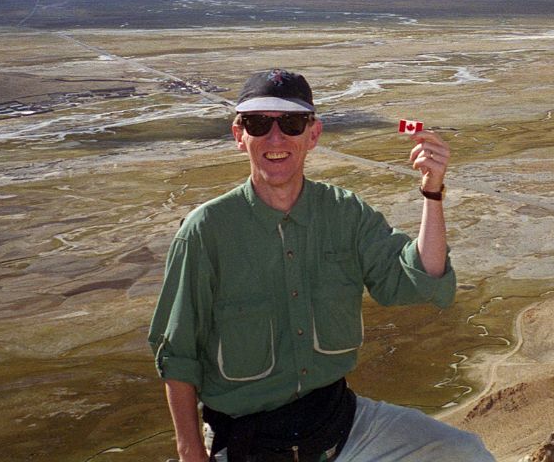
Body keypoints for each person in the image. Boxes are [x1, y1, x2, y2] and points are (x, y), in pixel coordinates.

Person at [149, 69, 495, 462]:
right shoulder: (205, 232)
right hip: (250, 446)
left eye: (292, 124)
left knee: (463, 453)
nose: (275, 138)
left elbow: (419, 278)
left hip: (343, 427)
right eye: (259, 123)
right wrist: (191, 454)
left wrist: (432, 191)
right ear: (239, 135)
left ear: (313, 134)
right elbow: (177, 355)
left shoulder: (344, 213)